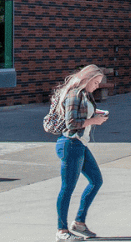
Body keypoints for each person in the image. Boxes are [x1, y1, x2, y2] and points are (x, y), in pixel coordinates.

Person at [53, 63, 109, 241]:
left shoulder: (85, 95)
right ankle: (61, 230)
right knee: (67, 188)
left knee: (96, 181)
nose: (97, 86)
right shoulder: (74, 94)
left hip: (79, 145)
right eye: (96, 82)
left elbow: (81, 115)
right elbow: (71, 124)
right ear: (88, 79)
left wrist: (95, 115)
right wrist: (94, 121)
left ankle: (79, 223)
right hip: (70, 144)